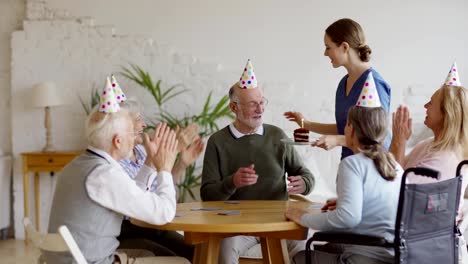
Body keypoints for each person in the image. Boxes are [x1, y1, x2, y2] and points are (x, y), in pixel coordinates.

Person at [46, 77, 189, 264]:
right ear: (118, 141)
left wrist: (151, 163)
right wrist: (165, 169)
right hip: (95, 261)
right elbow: (163, 213)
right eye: (132, 131)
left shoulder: (80, 165)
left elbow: (129, 193)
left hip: (67, 259)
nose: (136, 136)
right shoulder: (103, 175)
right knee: (182, 262)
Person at [201, 59, 315, 263]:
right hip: (237, 226)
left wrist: (303, 183)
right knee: (225, 250)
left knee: (306, 249)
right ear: (233, 107)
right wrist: (232, 182)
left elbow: (306, 175)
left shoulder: (276, 135)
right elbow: (207, 194)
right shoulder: (217, 142)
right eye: (253, 104)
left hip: (279, 223)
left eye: (262, 102)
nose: (260, 108)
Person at [286, 87, 403, 263]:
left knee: (299, 257)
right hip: (391, 255)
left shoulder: (352, 164)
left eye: (347, 124)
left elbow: (347, 217)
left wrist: (302, 218)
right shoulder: (394, 164)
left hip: (364, 257)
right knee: (327, 247)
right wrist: (345, 203)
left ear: (352, 130)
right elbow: (381, 206)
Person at [284, 18, 391, 160]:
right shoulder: (343, 84)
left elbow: (377, 139)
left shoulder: (375, 84)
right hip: (348, 163)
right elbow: (344, 128)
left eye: (328, 47)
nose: (325, 53)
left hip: (372, 169)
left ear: (345, 47)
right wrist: (305, 124)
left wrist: (338, 140)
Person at [117, 99, 204, 260]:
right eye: (137, 119)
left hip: (154, 227)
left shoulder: (142, 152)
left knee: (198, 253)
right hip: (128, 232)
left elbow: (162, 194)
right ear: (122, 127)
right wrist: (163, 157)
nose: (143, 124)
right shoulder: (114, 162)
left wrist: (180, 163)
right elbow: (136, 206)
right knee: (180, 259)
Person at [390, 63, 468, 219]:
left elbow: (395, 194)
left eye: (431, 103)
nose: (425, 106)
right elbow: (391, 174)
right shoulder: (428, 144)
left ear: (446, 113)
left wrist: (399, 142)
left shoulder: (446, 158)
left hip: (419, 235)